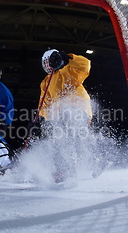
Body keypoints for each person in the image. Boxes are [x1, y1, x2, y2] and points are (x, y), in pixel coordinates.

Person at [29, 49, 92, 181]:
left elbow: (85, 65)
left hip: (78, 108)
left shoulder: (68, 70)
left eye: (50, 61)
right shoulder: (45, 82)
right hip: (62, 115)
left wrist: (68, 57)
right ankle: (64, 169)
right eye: (45, 63)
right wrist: (39, 120)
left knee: (69, 125)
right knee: (55, 137)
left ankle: (73, 167)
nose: (48, 65)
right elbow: (45, 105)